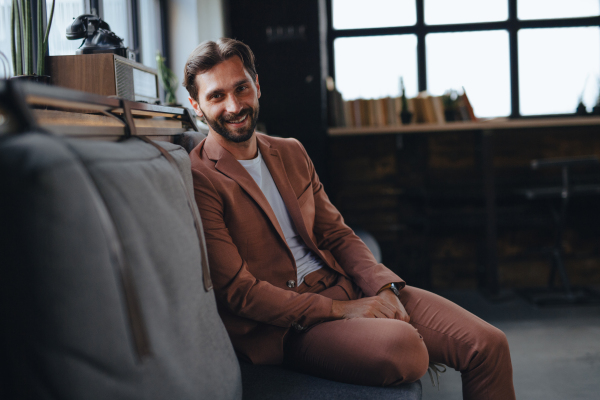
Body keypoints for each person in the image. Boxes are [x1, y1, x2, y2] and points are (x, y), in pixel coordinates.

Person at [184, 38, 516, 399]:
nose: (234, 105)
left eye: (241, 88)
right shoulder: (201, 177)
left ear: (257, 86)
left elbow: (337, 235)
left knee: (489, 344)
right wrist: (342, 310)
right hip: (289, 326)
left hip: (344, 284)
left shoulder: (290, 151)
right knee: (404, 347)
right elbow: (239, 293)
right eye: (216, 96)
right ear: (196, 107)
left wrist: (383, 290)